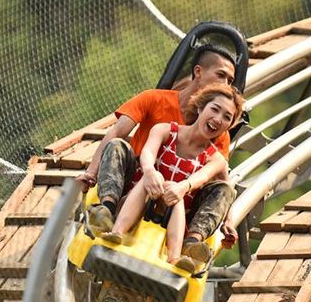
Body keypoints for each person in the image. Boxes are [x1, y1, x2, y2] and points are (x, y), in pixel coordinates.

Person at [76, 44, 240, 262]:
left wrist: (229, 221)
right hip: (138, 181)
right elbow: (117, 132)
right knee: (117, 145)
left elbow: (220, 179)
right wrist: (91, 172)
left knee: (219, 189)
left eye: (230, 81)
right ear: (198, 72)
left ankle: (190, 243)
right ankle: (107, 209)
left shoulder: (217, 134)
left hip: (179, 199)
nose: (226, 84)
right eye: (221, 76)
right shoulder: (155, 102)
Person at [101, 84, 243, 272]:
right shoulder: (164, 130)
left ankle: (188, 247)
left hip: (176, 216)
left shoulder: (216, 159)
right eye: (215, 109)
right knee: (118, 147)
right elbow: (148, 151)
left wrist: (229, 221)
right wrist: (150, 171)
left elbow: (209, 180)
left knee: (205, 191)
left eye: (227, 117)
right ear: (201, 108)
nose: (218, 119)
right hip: (140, 198)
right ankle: (110, 218)